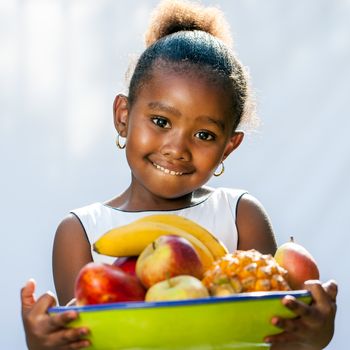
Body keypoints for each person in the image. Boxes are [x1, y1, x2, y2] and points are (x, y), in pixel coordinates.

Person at [20, 0, 337, 349]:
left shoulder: (240, 216)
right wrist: (43, 344)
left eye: (204, 135)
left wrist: (310, 338)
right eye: (161, 122)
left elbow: (268, 335)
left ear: (228, 147)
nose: (177, 148)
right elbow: (83, 341)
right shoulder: (81, 232)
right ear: (123, 117)